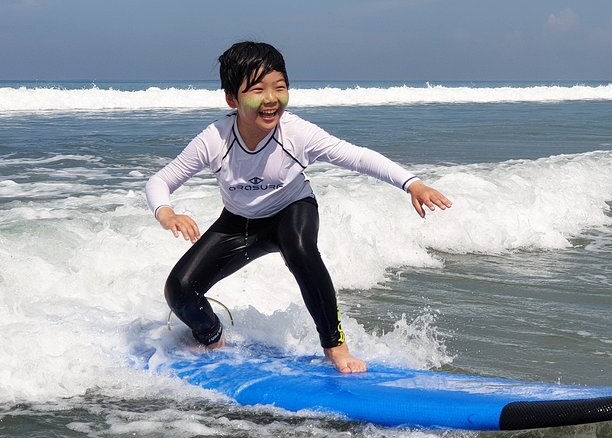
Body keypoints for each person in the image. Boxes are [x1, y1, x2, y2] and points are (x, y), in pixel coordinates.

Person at [145, 41, 451, 373]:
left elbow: (358, 157)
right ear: (232, 98)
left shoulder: (296, 134)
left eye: (280, 87)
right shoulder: (215, 139)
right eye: (258, 89)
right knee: (179, 290)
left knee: (301, 249)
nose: (271, 99)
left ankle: (335, 347)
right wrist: (167, 213)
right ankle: (212, 336)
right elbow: (160, 181)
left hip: (292, 210)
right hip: (238, 224)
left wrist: (412, 183)